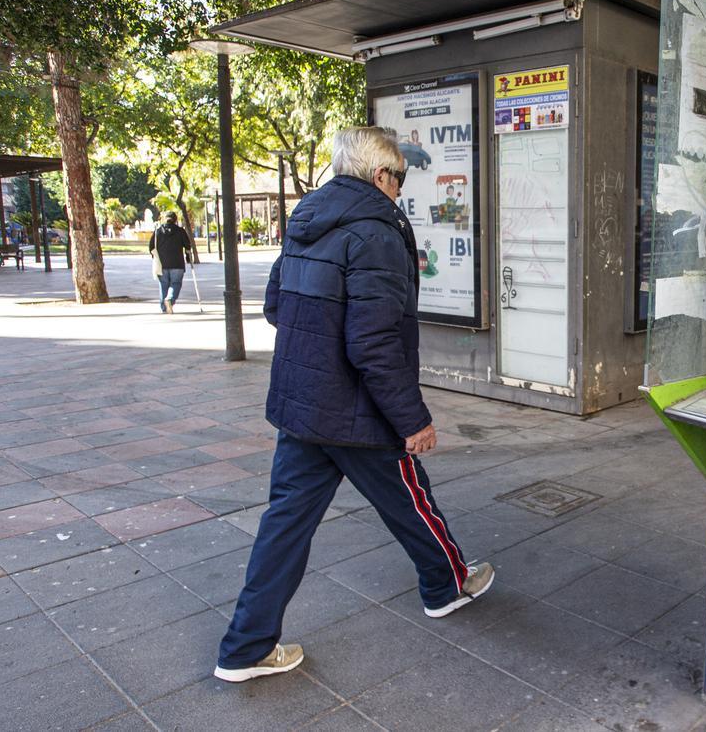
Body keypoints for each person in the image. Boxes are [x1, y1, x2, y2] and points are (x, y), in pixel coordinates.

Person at [214, 127, 492, 683]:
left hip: (303, 407)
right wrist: (413, 419)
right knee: (411, 500)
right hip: (358, 410)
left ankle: (244, 649)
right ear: (381, 175)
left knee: (284, 526)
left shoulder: (306, 220)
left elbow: (276, 307)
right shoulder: (377, 233)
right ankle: (447, 584)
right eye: (401, 178)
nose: (401, 190)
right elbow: (374, 341)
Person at [148, 211, 193, 313]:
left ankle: (164, 308)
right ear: (175, 220)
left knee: (163, 284)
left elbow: (151, 247)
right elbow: (187, 245)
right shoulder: (180, 231)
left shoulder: (158, 232)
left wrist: (154, 257)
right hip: (177, 263)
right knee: (176, 283)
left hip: (162, 264)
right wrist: (188, 257)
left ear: (164, 219)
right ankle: (170, 299)